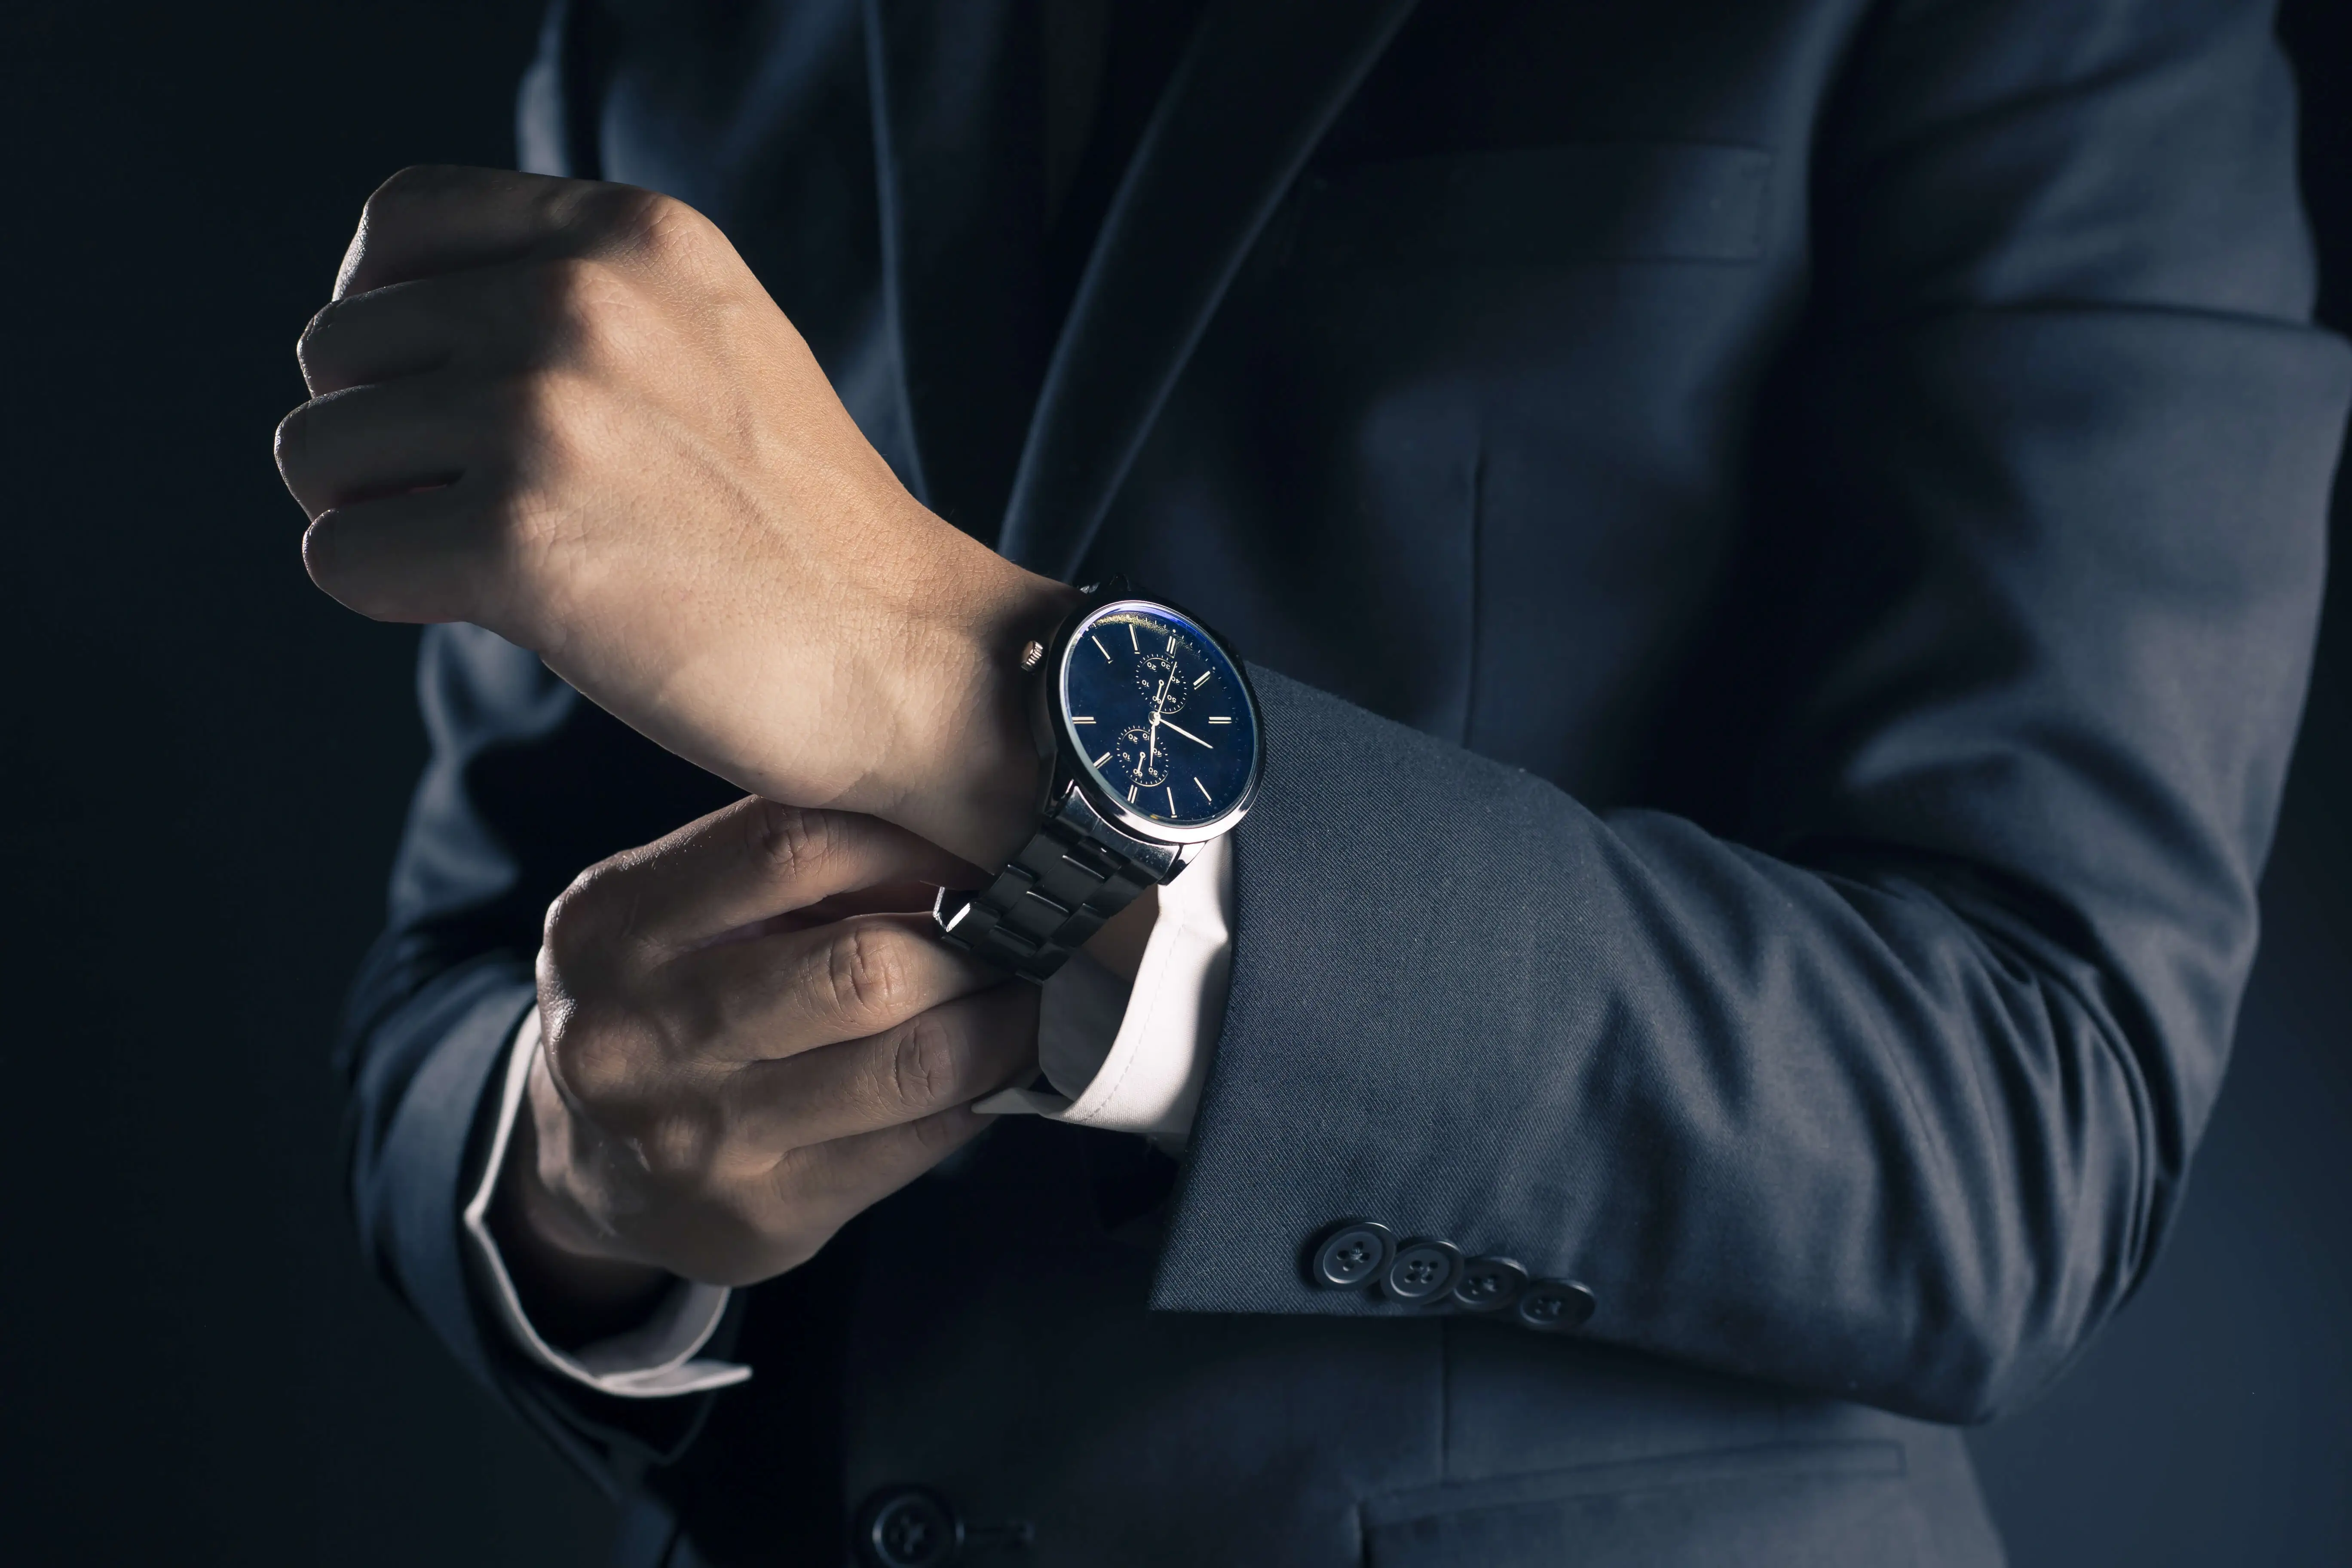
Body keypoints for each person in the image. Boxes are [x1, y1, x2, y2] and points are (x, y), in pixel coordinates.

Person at [276, 0, 2350, 1562]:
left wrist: (967, 688)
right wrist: (573, 1178)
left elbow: (2027, 1122)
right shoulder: (660, 33)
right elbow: (456, 979)